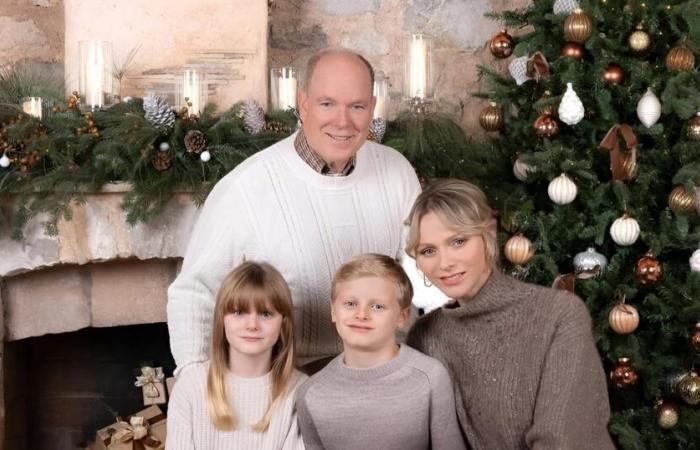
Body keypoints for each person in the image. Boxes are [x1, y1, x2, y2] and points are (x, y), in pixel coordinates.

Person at [167, 48, 422, 377]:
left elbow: (423, 281)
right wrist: (195, 383)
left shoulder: (397, 172)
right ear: (303, 104)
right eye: (327, 104)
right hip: (285, 386)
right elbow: (195, 291)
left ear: (372, 108)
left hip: (383, 372)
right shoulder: (246, 186)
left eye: (356, 106)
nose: (342, 122)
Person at [404, 179, 615, 449]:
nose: (445, 263)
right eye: (428, 251)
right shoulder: (425, 337)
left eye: (458, 241)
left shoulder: (559, 314)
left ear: (489, 233)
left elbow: (562, 441)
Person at [296, 253, 465, 450]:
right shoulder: (311, 393)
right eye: (350, 304)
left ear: (402, 317)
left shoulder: (430, 377)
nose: (361, 315)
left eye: (377, 306)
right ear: (334, 311)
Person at [166, 261, 307, 449]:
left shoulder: (301, 391)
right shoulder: (190, 387)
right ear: (221, 319)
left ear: (283, 323)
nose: (252, 325)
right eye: (239, 312)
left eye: (265, 314)